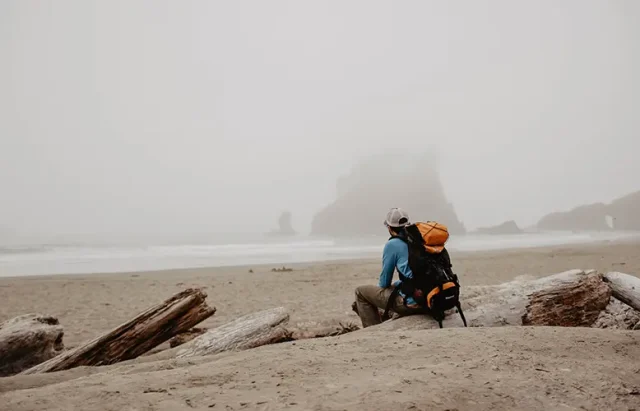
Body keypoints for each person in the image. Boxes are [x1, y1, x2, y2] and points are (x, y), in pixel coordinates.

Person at [354, 208, 424, 327]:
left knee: (360, 292)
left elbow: (384, 282)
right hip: (432, 297)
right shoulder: (418, 239)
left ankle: (372, 330)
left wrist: (380, 293)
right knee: (396, 286)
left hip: (414, 303)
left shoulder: (392, 244)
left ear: (389, 228)